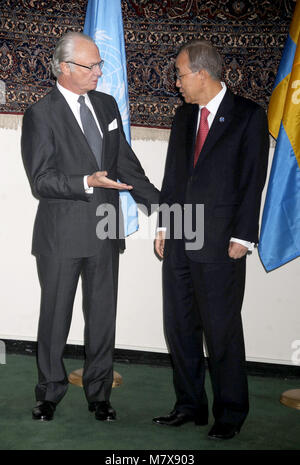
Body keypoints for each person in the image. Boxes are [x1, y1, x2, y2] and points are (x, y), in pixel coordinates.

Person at [21, 32, 159, 422]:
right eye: (91, 65)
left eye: (100, 64)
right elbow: (41, 180)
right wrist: (86, 181)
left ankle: (99, 394)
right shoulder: (40, 113)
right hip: (61, 234)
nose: (100, 71)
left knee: (102, 316)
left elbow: (126, 165)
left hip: (105, 229)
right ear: (64, 68)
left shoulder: (106, 104)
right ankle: (49, 392)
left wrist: (162, 206)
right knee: (55, 317)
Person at [153, 39, 269, 440]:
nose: (177, 82)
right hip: (181, 235)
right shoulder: (184, 116)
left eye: (181, 75)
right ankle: (189, 405)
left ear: (202, 73)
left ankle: (230, 413)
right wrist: (165, 225)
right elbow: (174, 176)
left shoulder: (248, 116)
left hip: (222, 242)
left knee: (220, 330)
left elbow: (253, 180)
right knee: (180, 327)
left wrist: (244, 235)